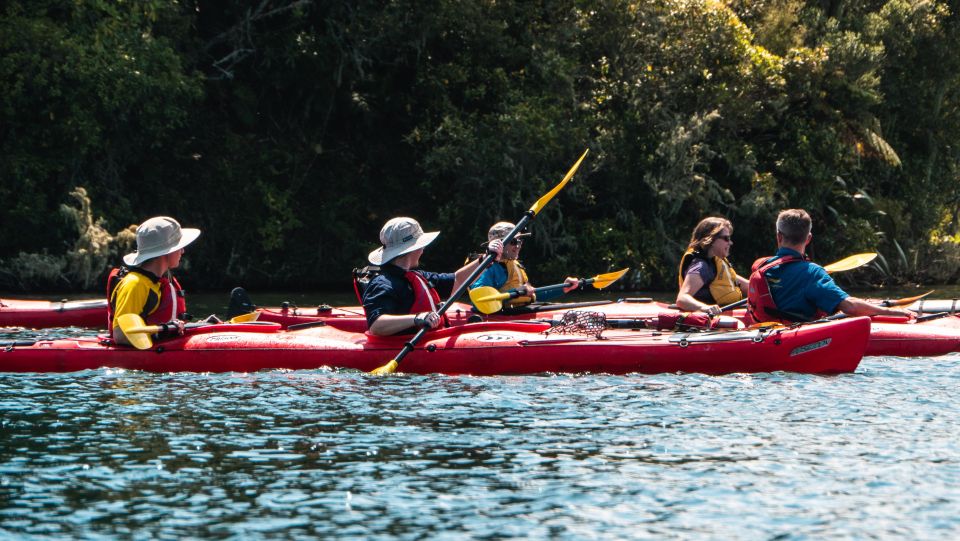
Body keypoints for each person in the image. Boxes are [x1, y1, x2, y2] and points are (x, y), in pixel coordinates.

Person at [747, 209, 914, 323]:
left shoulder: (760, 266)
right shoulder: (812, 273)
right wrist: (893, 312)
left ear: (778, 237)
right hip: (796, 338)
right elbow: (850, 307)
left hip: (760, 334)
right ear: (808, 238)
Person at [362, 217, 503, 336]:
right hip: (404, 346)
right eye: (421, 245)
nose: (423, 250)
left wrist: (485, 260)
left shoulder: (417, 276)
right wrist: (418, 318)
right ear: (412, 249)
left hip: (430, 340)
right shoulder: (383, 283)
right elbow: (376, 325)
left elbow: (457, 280)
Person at [106, 216, 200, 345]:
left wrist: (202, 325)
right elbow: (121, 335)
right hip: (137, 358)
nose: (182, 251)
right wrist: (161, 332)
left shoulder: (159, 281)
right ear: (165, 252)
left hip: (162, 347)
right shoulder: (135, 284)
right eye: (179, 247)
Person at [469, 221, 580, 310]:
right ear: (499, 244)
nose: (518, 246)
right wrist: (515, 293)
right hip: (503, 317)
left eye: (519, 241)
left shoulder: (515, 265)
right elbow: (479, 300)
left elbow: (534, 296)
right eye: (513, 242)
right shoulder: (489, 267)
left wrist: (563, 288)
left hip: (521, 312)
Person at [675, 217, 748, 316]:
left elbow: (748, 286)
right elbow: (682, 299)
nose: (730, 243)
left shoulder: (716, 263)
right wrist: (704, 307)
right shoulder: (701, 266)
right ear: (711, 239)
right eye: (726, 238)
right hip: (704, 323)